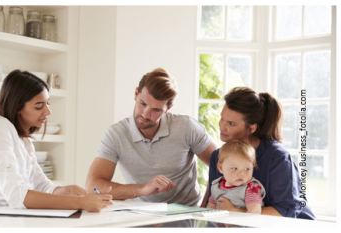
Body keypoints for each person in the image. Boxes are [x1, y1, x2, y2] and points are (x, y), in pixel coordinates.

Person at [0, 70, 113, 212]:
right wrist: (80, 203)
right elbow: (16, 194)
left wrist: (69, 190)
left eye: (48, 103)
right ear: (17, 107)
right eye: (39, 106)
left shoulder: (24, 141)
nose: (48, 112)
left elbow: (41, 185)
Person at [86, 68, 218, 206]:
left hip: (186, 214)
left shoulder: (187, 127)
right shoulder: (116, 134)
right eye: (142, 103)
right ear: (136, 94)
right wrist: (141, 189)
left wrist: (205, 207)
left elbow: (220, 164)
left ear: (168, 108)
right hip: (139, 214)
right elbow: (92, 186)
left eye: (156, 110)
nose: (145, 114)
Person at [203, 86, 315, 219]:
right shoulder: (218, 156)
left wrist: (235, 211)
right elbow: (216, 202)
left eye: (232, 124)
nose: (222, 126)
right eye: (222, 118)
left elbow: (286, 211)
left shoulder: (277, 156)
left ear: (252, 128)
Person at [207, 140, 266, 214]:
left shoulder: (251, 188)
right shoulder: (216, 185)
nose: (241, 174)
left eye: (246, 169)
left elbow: (255, 213)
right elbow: (209, 210)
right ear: (221, 168)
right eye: (234, 168)